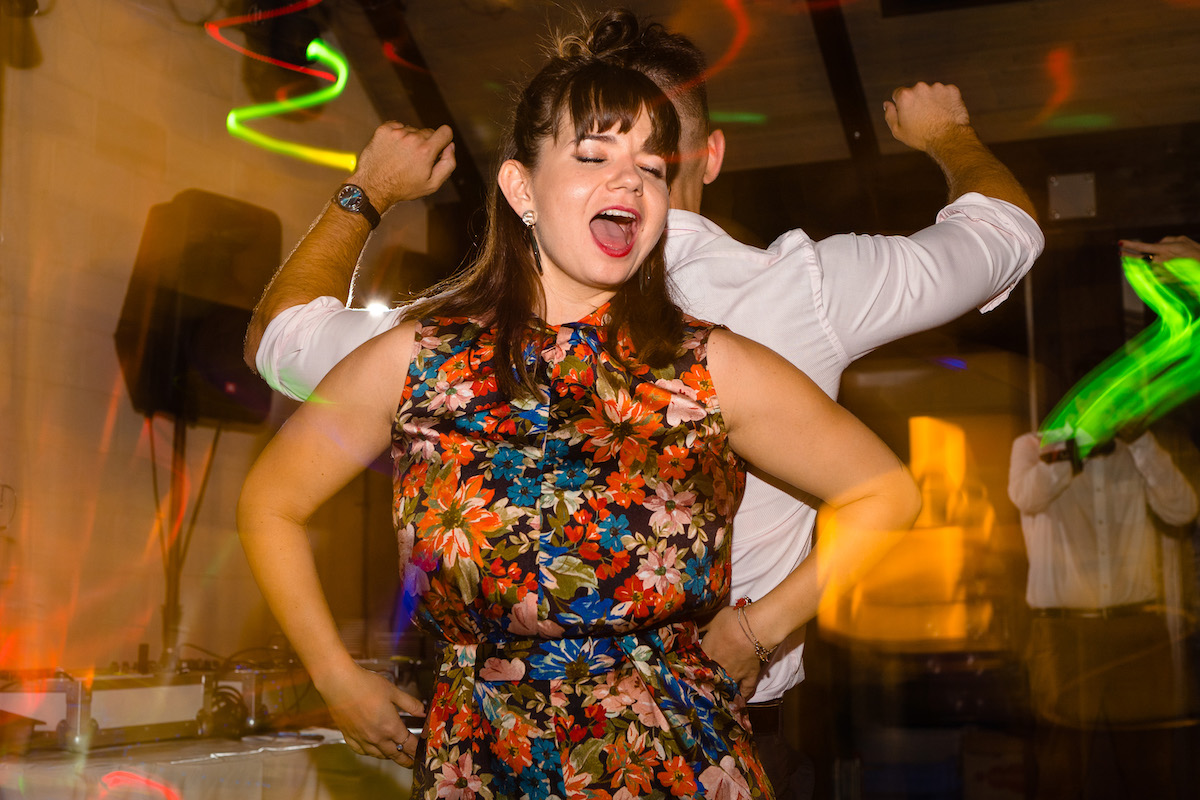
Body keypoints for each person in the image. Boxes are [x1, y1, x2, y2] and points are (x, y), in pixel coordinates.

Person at [243, 9, 1043, 796]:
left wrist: (370, 190)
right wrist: (333, 674)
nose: (629, 177)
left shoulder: (716, 365)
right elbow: (271, 499)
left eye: (652, 165)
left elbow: (280, 336)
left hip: (678, 760)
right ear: (520, 185)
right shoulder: (420, 357)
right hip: (481, 766)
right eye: (594, 153)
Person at [1008, 424, 1198, 799]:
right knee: (1061, 768)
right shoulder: (1033, 446)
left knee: (1150, 770)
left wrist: (1142, 444)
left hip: (1137, 633)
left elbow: (1184, 510)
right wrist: (1069, 453)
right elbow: (1027, 497)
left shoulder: (1138, 451)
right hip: (1065, 636)